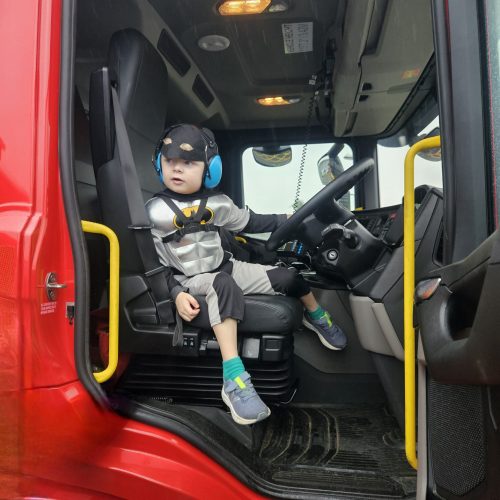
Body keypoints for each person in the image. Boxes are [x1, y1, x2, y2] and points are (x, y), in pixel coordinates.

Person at [146, 124, 346, 425]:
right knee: (222, 284)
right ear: (159, 164)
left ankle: (316, 316)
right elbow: (154, 264)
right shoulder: (154, 212)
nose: (177, 169)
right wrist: (176, 294)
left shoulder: (218, 204)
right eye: (171, 161)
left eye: (189, 163)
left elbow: (250, 221)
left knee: (288, 276)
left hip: (227, 267)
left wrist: (287, 218)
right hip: (192, 280)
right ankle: (234, 380)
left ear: (209, 169)